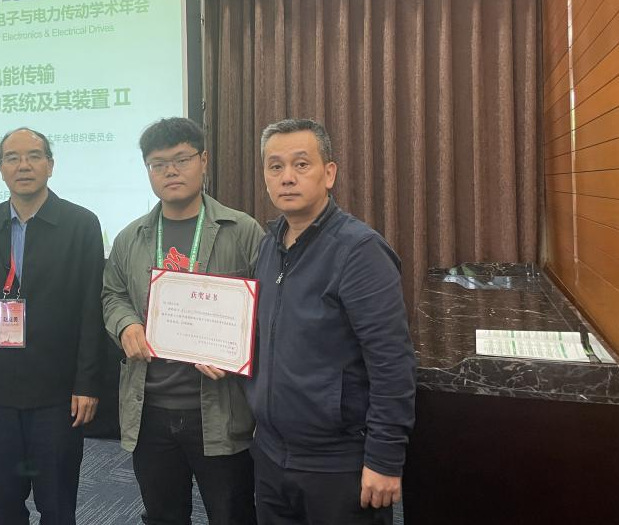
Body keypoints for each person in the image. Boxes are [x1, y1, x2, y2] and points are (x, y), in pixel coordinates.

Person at [248, 118, 416, 525]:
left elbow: (392, 362)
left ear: (329, 173)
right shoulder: (269, 246)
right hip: (270, 455)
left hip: (337, 464)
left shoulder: (359, 251)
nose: (287, 177)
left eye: (301, 164)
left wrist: (385, 458)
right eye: (275, 166)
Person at [102, 117, 265, 525]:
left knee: (232, 515)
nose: (170, 171)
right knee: (163, 515)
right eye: (158, 164)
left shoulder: (241, 230)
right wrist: (125, 324)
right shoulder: (131, 237)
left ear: (204, 160)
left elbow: (268, 309)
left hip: (219, 409)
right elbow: (113, 294)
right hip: (149, 408)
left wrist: (236, 349)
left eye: (181, 159)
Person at [0, 127, 105, 525]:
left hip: (57, 393)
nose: (23, 165)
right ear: (1, 168)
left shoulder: (81, 225)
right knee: (2, 502)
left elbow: (91, 310)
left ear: (50, 165)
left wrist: (87, 383)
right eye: (12, 158)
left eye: (34, 156)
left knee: (57, 504)